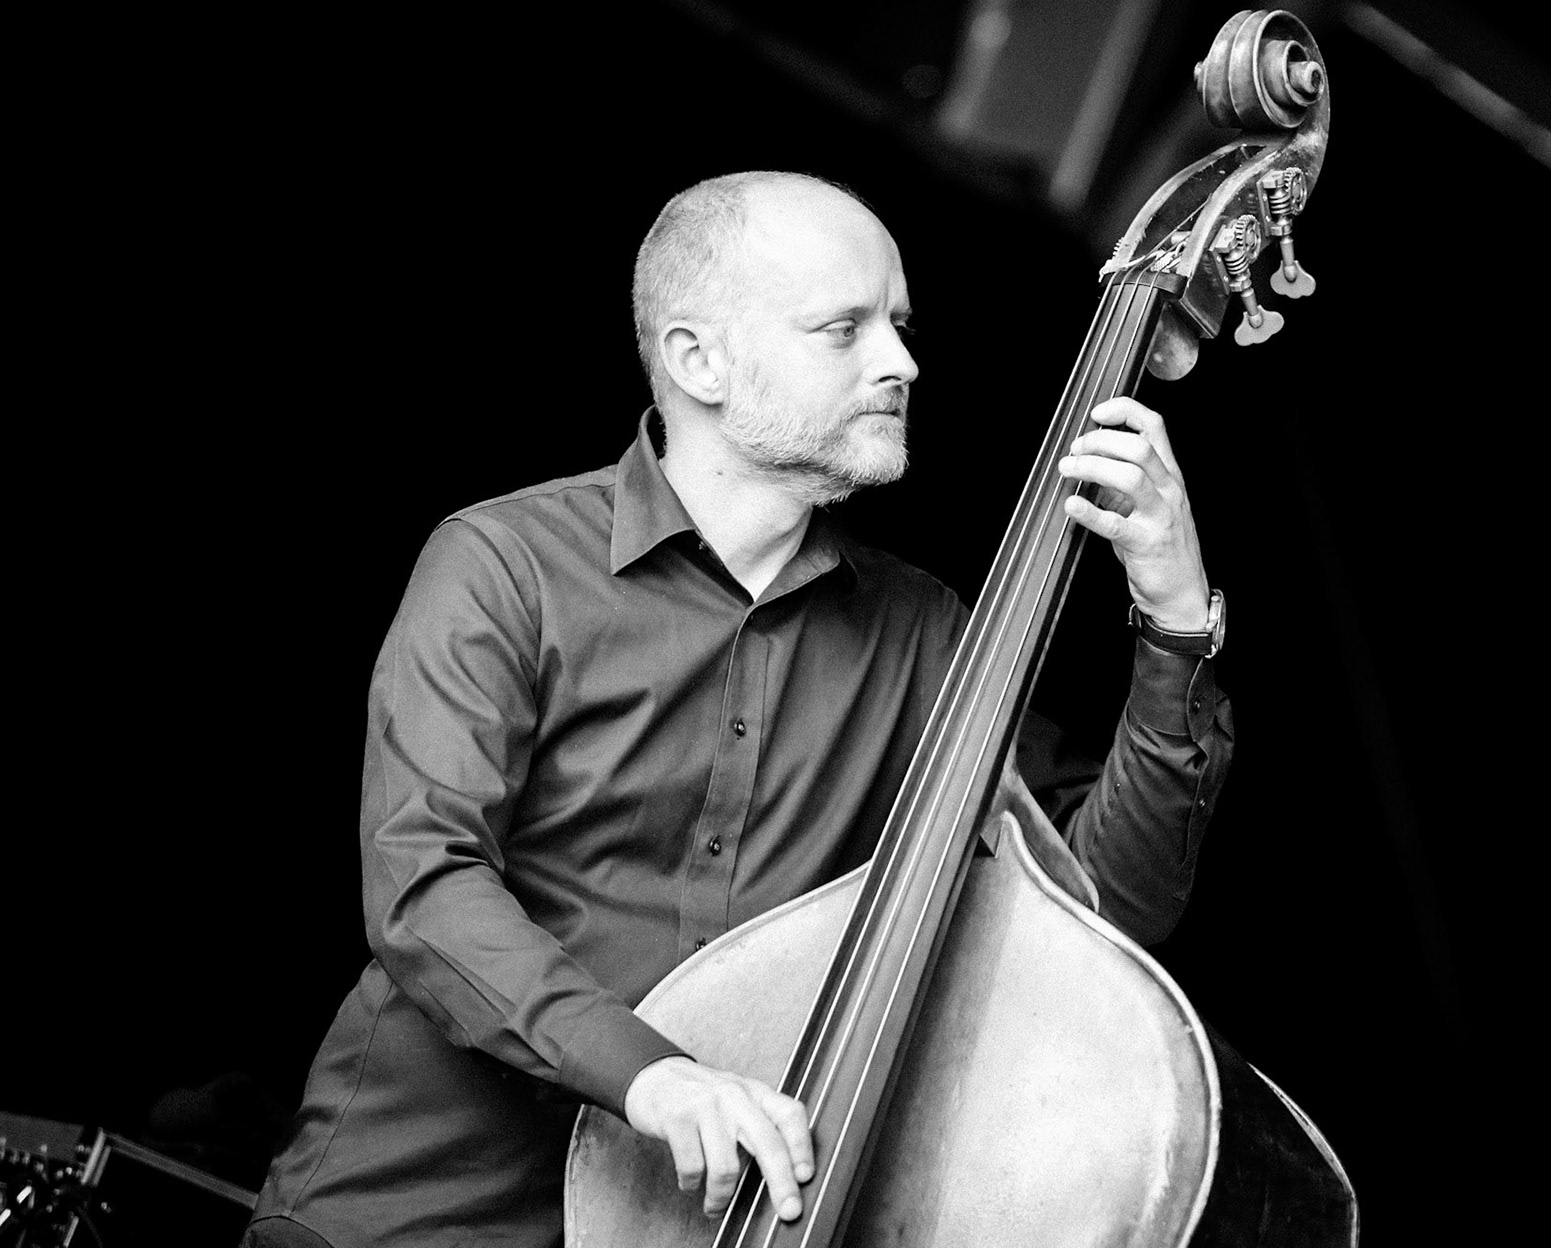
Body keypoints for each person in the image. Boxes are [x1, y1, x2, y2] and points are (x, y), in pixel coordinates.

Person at [245, 171, 1232, 1247]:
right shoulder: (503, 564)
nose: (902, 362)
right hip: (407, 1218)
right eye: (841, 329)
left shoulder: (924, 635)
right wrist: (653, 1075)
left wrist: (1174, 617)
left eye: (898, 325)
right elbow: (423, 883)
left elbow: (1095, 922)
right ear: (695, 359)